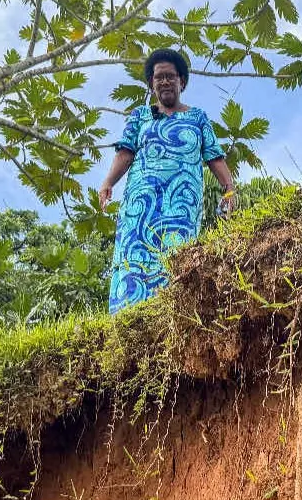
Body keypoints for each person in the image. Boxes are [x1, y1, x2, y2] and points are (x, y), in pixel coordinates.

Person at [99, 49, 237, 314]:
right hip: (140, 210)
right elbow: (125, 153)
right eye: (159, 77)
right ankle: (129, 324)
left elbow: (214, 157)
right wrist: (108, 183)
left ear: (181, 81)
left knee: (176, 262)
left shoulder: (198, 118)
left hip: (181, 207)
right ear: (152, 83)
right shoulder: (140, 116)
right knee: (133, 264)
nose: (164, 82)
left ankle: (174, 318)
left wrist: (229, 188)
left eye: (170, 77)